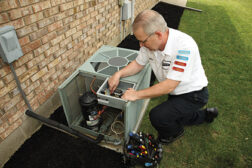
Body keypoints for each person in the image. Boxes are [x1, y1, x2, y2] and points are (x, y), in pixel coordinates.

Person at [108, 9, 218, 144]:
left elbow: (169, 85)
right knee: (179, 116)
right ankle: (207, 114)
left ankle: (174, 133)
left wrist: (136, 95)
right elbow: (138, 64)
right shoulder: (150, 43)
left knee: (158, 116)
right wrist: (118, 74)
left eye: (143, 41)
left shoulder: (184, 47)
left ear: (158, 34)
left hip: (194, 94)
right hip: (176, 91)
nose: (140, 45)